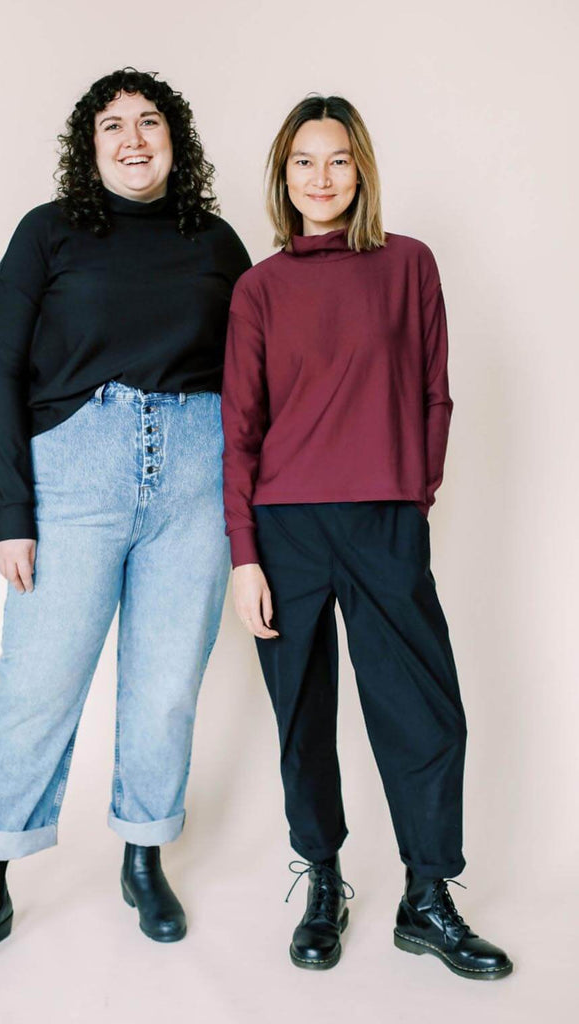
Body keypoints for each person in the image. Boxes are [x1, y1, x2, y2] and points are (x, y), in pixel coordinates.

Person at [0, 67, 251, 979]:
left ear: (176, 140)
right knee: (37, 681)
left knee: (167, 685)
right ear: (90, 144)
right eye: (115, 126)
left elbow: (257, 377)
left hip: (193, 476)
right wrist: (12, 510)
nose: (135, 139)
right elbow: (1, 372)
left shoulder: (216, 243)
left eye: (151, 123)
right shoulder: (49, 234)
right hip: (77, 478)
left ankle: (144, 857)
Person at [221, 95, 513, 980]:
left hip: (385, 521)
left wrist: (411, 496)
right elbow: (239, 428)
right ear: (283, 175)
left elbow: (435, 391)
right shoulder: (258, 289)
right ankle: (324, 879)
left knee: (423, 711)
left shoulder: (409, 266)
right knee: (302, 718)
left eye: (338, 160)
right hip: (285, 531)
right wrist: (244, 556)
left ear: (362, 171)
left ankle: (427, 897)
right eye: (303, 162)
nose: (321, 177)